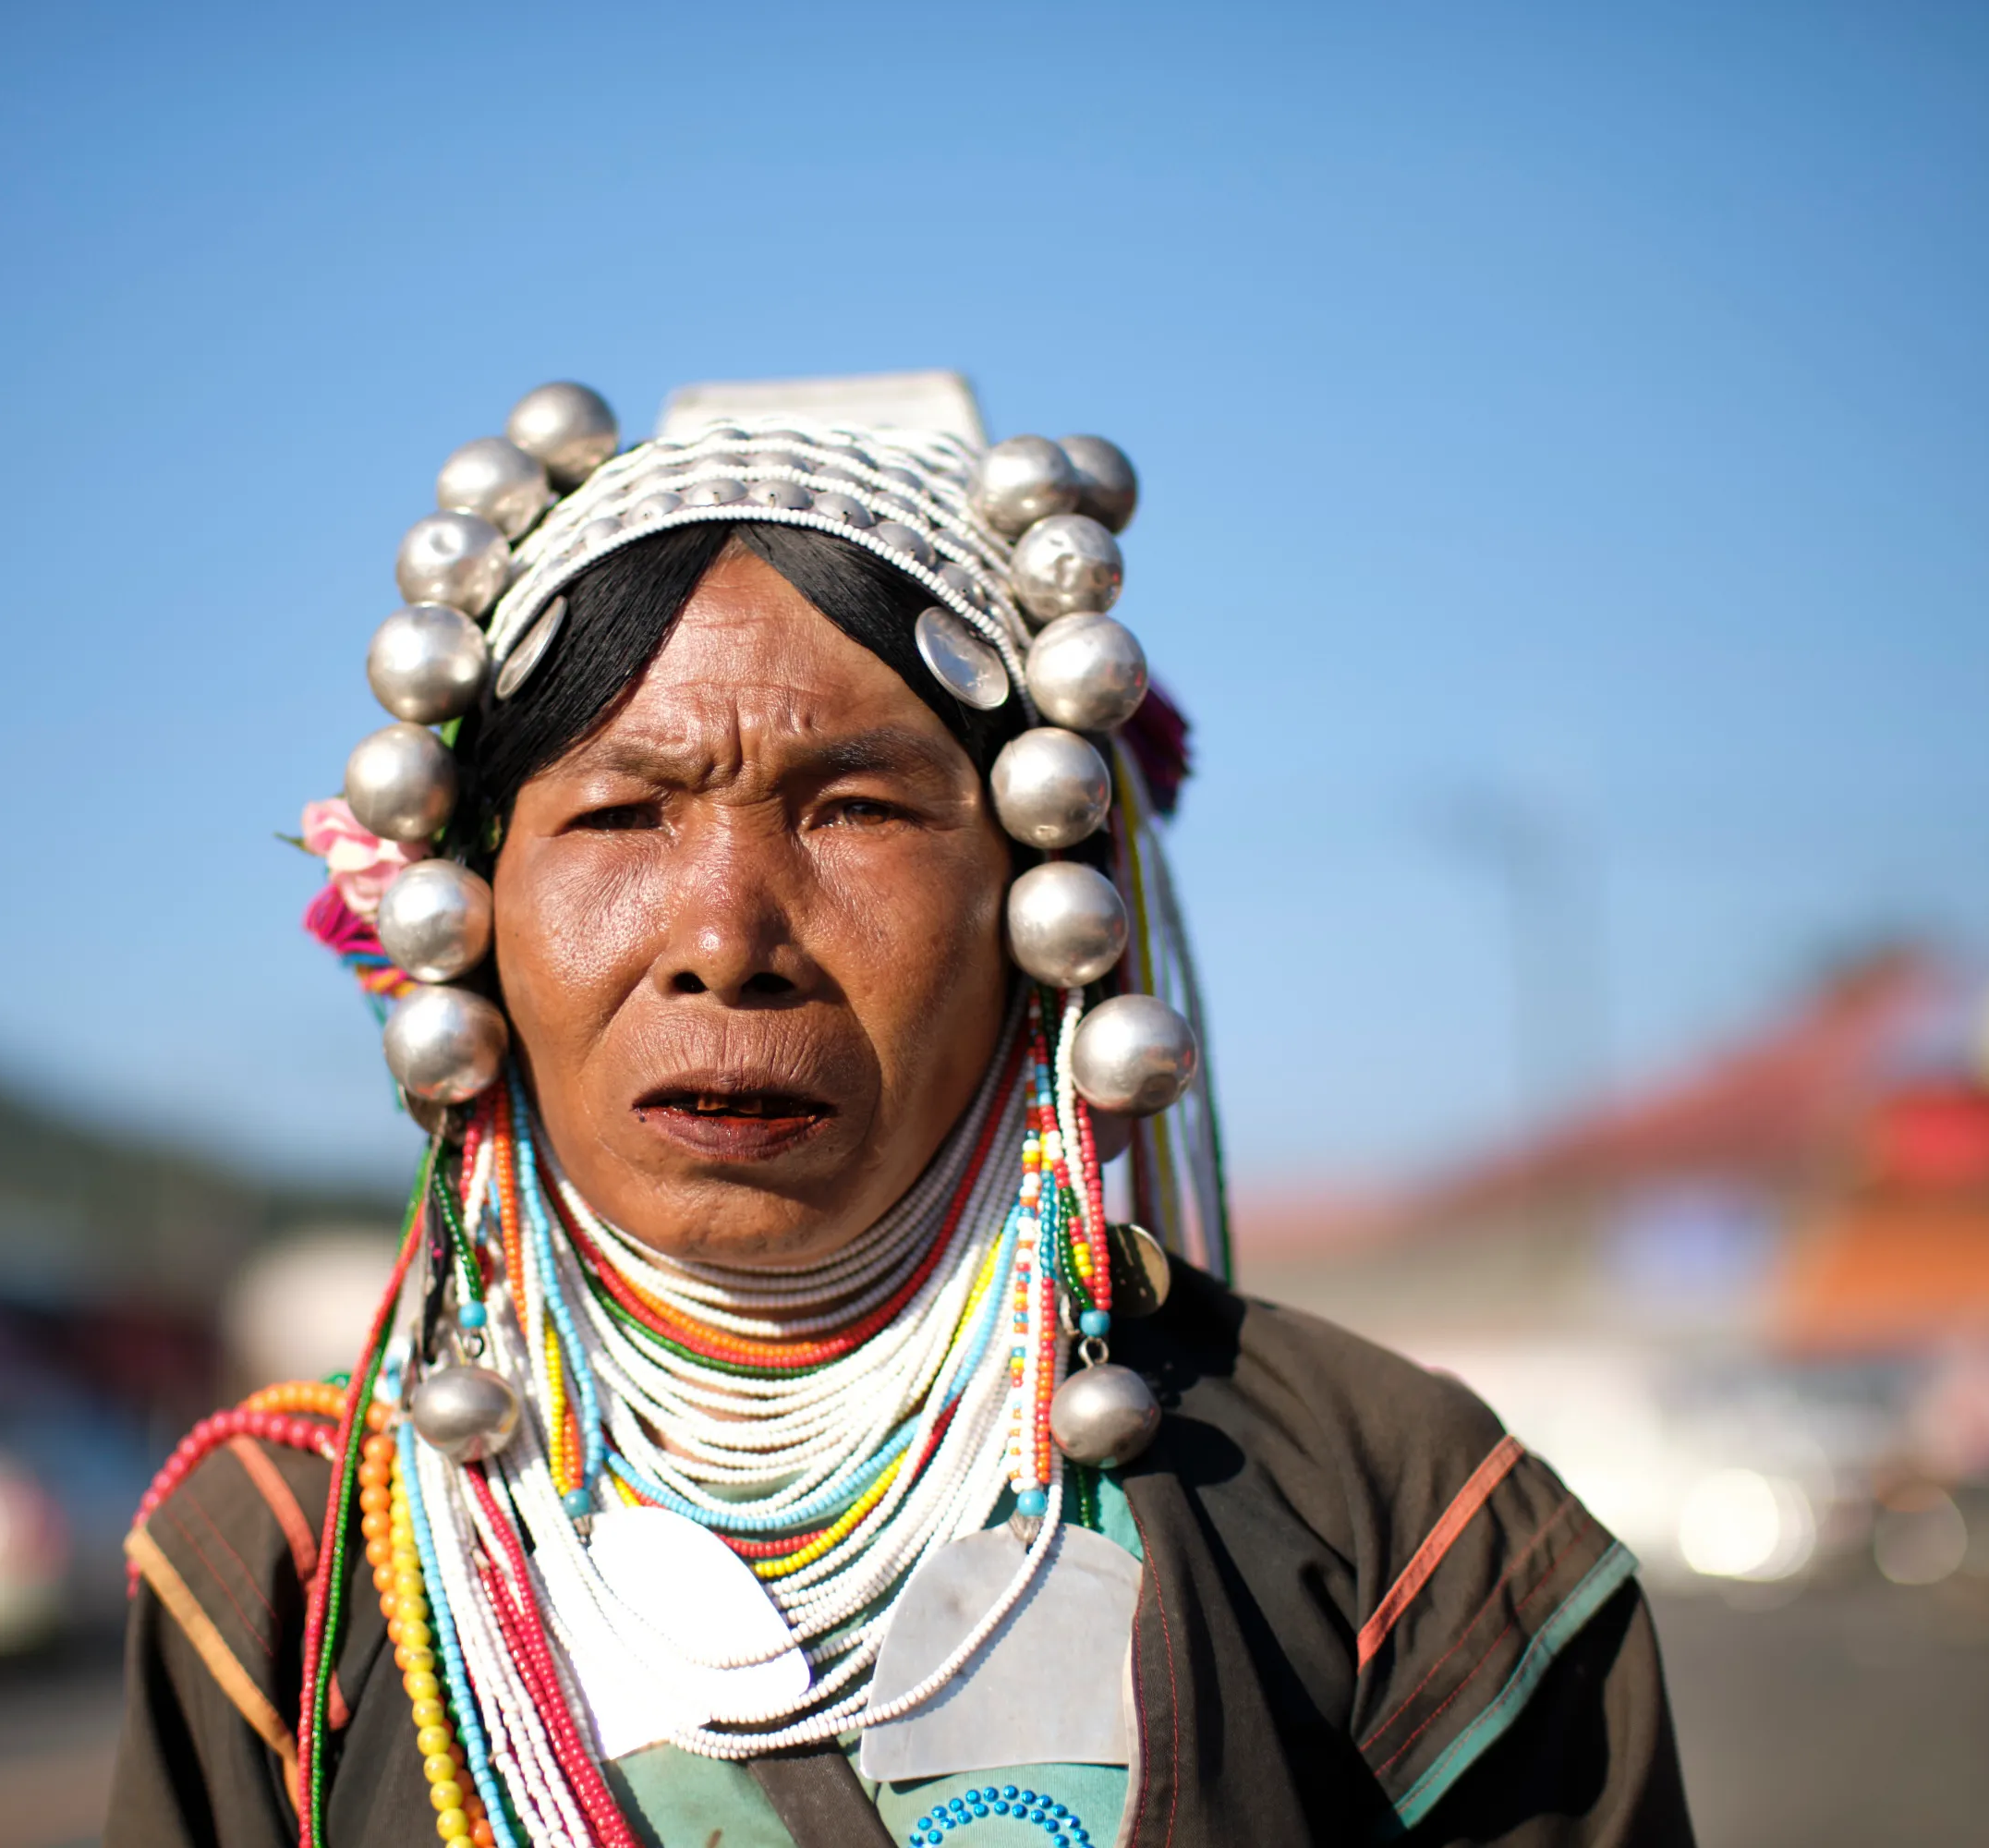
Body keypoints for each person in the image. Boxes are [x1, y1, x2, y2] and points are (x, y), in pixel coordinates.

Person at [108, 381, 1694, 1848]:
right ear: (470, 921)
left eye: (855, 809)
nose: (727, 939)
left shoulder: (1379, 1503)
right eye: (620, 813)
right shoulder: (293, 1570)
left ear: (1042, 906)